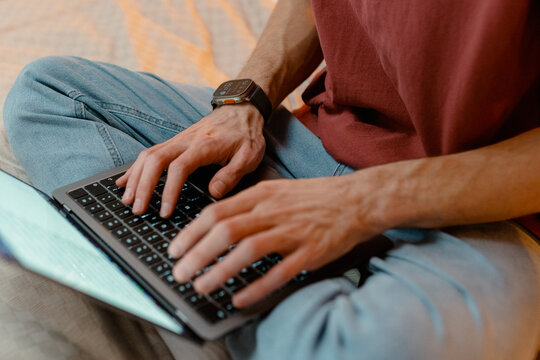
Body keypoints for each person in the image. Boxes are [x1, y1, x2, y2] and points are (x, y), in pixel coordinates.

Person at [3, 0, 540, 359]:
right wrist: (245, 100)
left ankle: (212, 283)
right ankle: (222, 281)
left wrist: (358, 204)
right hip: (323, 140)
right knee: (47, 91)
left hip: (481, 203)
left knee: (385, 343)